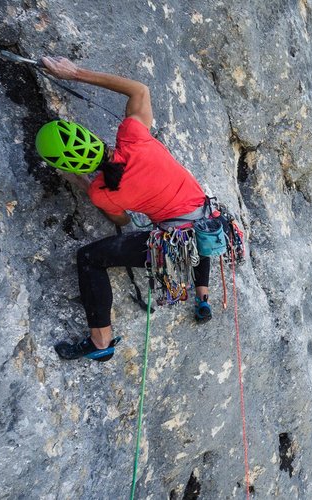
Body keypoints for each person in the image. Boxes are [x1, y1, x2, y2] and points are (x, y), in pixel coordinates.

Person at [36, 56, 213, 362]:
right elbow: (139, 90)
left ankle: (100, 341)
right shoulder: (133, 135)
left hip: (176, 241)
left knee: (90, 258)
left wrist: (82, 182)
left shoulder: (102, 192)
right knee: (194, 226)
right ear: (89, 137)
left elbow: (121, 218)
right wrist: (73, 73)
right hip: (209, 221)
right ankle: (202, 297)